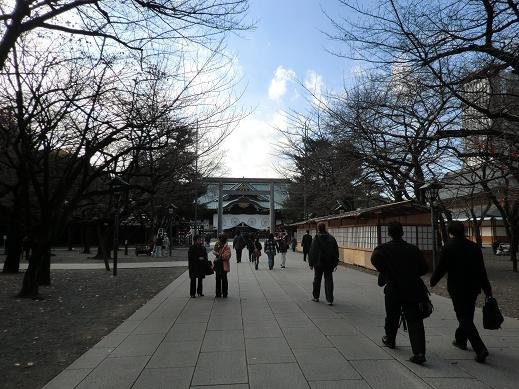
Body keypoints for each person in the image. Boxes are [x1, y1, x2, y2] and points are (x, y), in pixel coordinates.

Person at [430, 221, 492, 363]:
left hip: (457, 287)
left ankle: (480, 348)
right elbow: (481, 270)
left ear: (450, 232)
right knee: (467, 314)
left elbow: (441, 267)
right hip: (473, 286)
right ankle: (460, 340)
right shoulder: (474, 247)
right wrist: (487, 288)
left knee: (463, 316)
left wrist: (433, 281)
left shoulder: (449, 247)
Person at [370, 221, 429, 365]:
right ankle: (419, 352)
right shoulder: (413, 249)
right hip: (412, 287)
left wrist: (386, 271)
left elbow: (374, 258)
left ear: (389, 233)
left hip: (394, 286)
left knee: (392, 315)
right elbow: (424, 268)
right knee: (415, 320)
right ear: (402, 232)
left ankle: (390, 339)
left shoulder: (383, 249)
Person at [309, 223, 339, 306]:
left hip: (318, 263)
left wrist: (311, 263)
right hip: (329, 262)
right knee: (329, 280)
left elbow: (312, 251)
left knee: (317, 279)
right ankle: (329, 299)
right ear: (325, 228)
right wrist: (335, 262)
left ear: (318, 229)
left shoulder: (316, 238)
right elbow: (336, 251)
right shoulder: (331, 238)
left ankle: (316, 296)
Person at [213, 234, 231, 298]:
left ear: (222, 240)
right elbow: (214, 251)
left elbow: (227, 256)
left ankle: (225, 293)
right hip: (218, 264)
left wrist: (219, 255)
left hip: (223, 265)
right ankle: (218, 293)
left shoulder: (227, 247)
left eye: (219, 239)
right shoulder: (218, 245)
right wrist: (216, 246)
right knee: (217, 279)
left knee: (224, 279)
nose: (218, 240)